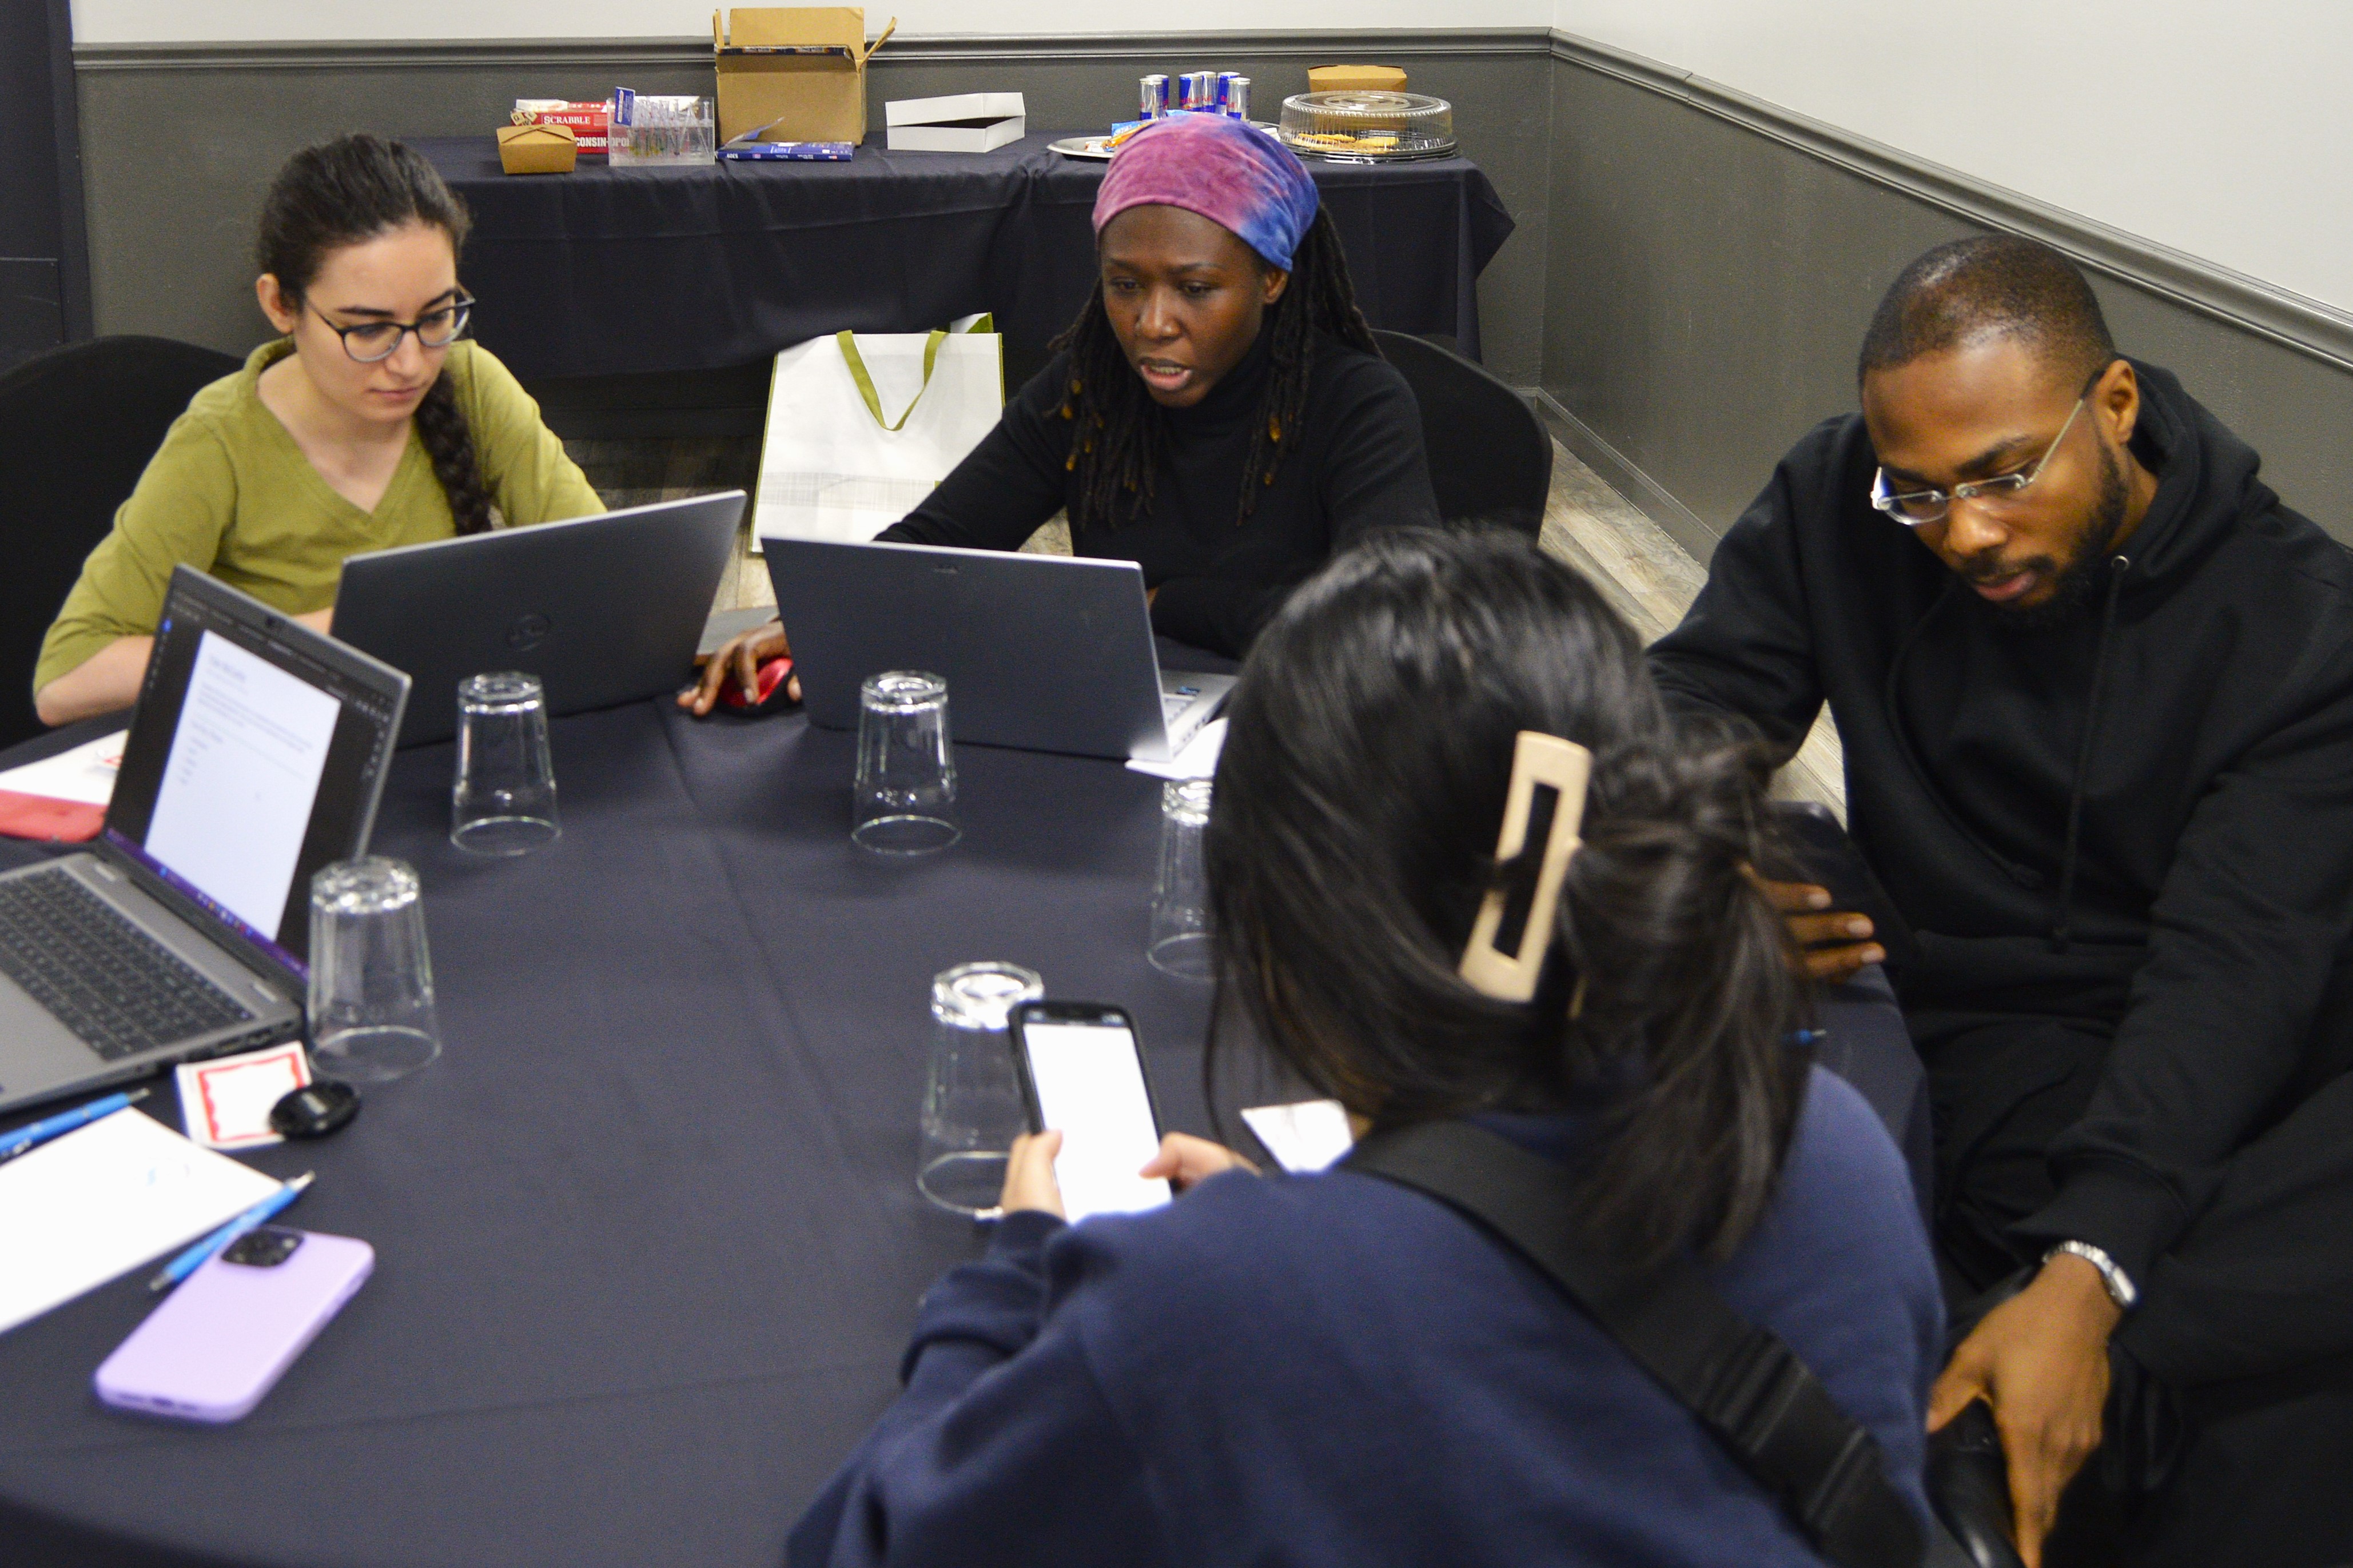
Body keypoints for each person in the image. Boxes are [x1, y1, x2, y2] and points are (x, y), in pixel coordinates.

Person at [787, 529, 1938, 1567]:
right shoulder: (1831, 1145)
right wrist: (1331, 1227)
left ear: (1287, 930)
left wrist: (1012, 1274)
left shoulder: (1217, 1310)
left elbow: (859, 1544)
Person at [1647, 235, 2353, 1567]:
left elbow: (2230, 973)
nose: (1963, 530)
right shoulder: (1835, 501)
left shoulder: (2299, 626)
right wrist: (1690, 847)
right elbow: (1686, 705)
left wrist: (2085, 1272)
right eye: (1915, 492)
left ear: (2116, 405)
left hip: (2229, 1024)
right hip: (1999, 1038)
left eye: (2002, 474)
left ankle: (2069, 1393)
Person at [683, 112, 1438, 713]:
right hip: (1129, 720)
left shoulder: (1358, 404)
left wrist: (1170, 603)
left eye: (1196, 288)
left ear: (1271, 280)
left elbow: (1384, 624)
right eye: (1124, 284)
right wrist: (826, 615)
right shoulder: (1091, 389)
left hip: (1310, 734)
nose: (1151, 322)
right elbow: (945, 536)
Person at [33, 133, 602, 726]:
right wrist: (345, 630)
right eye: (367, 329)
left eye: (436, 316)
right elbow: (69, 677)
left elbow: (604, 567)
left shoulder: (472, 385)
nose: (409, 363)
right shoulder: (223, 439)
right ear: (281, 306)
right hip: (287, 762)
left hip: (440, 739)